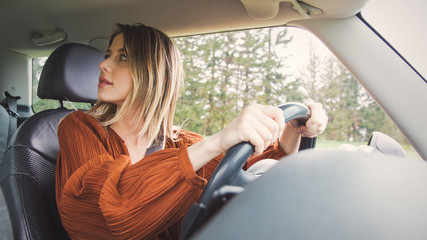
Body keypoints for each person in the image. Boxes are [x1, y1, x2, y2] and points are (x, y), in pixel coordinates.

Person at [55, 23, 328, 240]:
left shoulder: (181, 143)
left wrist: (295, 130)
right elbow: (101, 215)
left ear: (155, 73)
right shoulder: (80, 128)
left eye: (123, 57)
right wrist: (216, 141)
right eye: (108, 55)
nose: (104, 64)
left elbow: (251, 172)